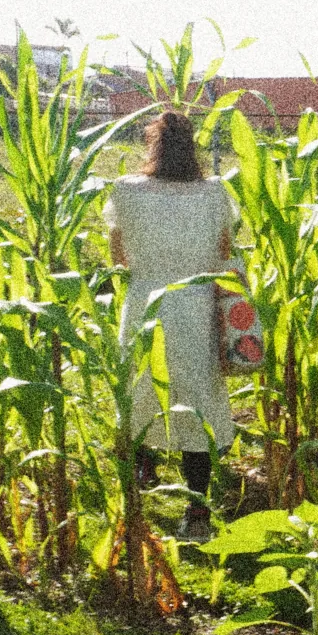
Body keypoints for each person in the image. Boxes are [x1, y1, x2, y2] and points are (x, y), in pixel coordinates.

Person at [105, 111, 235, 541]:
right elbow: (223, 253)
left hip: (146, 304)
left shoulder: (125, 191)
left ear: (152, 144)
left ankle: (135, 499)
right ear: (192, 145)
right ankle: (196, 515)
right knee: (198, 405)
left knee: (141, 394)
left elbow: (118, 258)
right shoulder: (215, 193)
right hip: (198, 306)